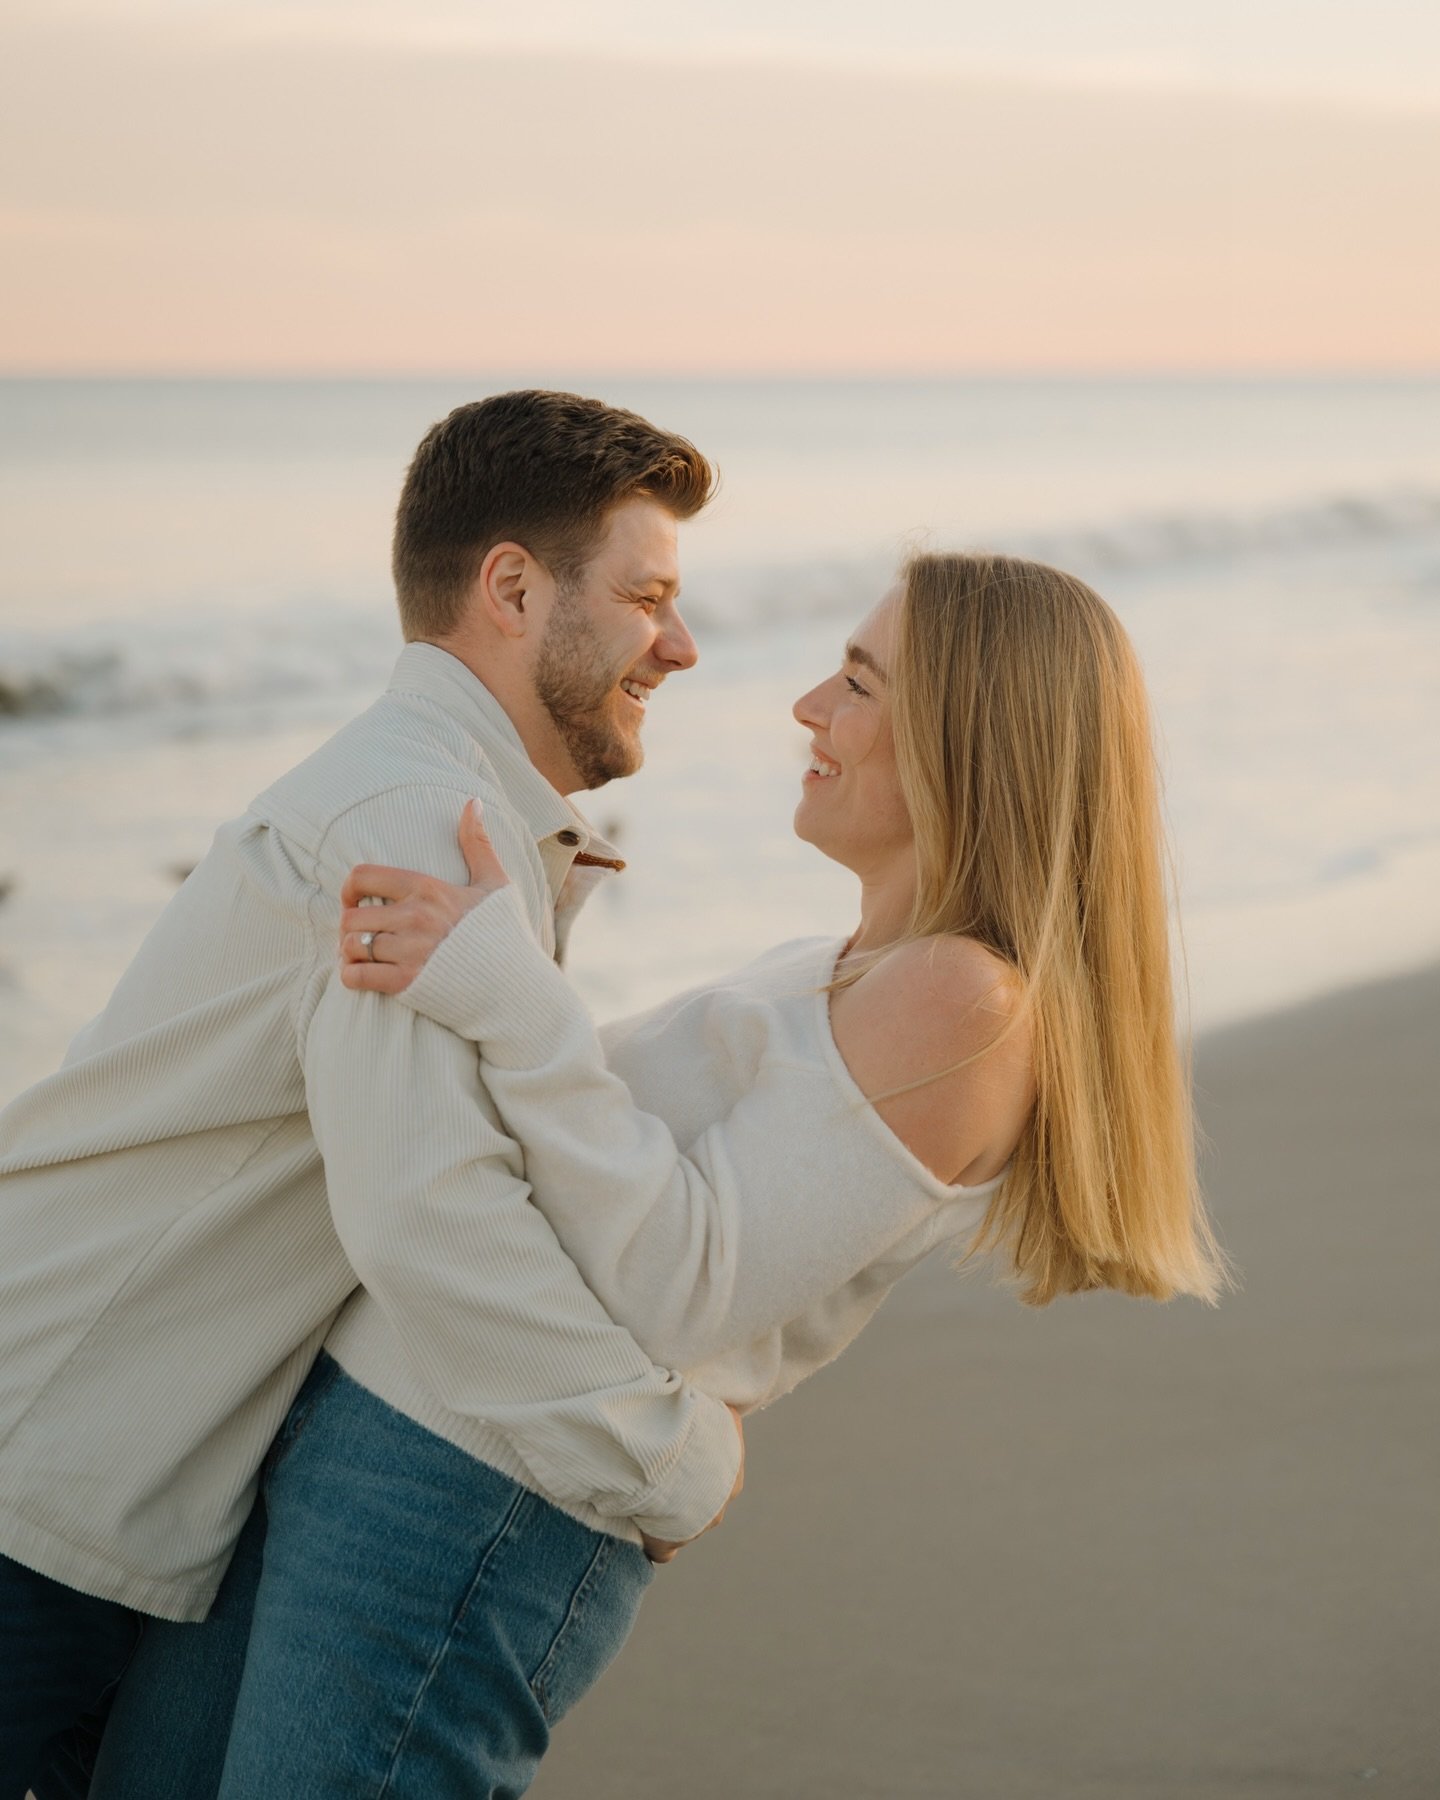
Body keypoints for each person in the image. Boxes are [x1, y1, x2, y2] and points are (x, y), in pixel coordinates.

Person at [80, 553, 1229, 1797]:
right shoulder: (834, 963)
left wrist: (518, 998)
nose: (807, 708)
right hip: (383, 1429)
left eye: (856, 682)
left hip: (473, 1490)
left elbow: (678, 1290)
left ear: (967, 737)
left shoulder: (963, 1003)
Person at [1, 389, 749, 1800]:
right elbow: (426, 1217)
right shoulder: (412, 817)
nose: (684, 643)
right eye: (649, 596)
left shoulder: (440, 798)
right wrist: (658, 1458)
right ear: (513, 589)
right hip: (40, 1479)